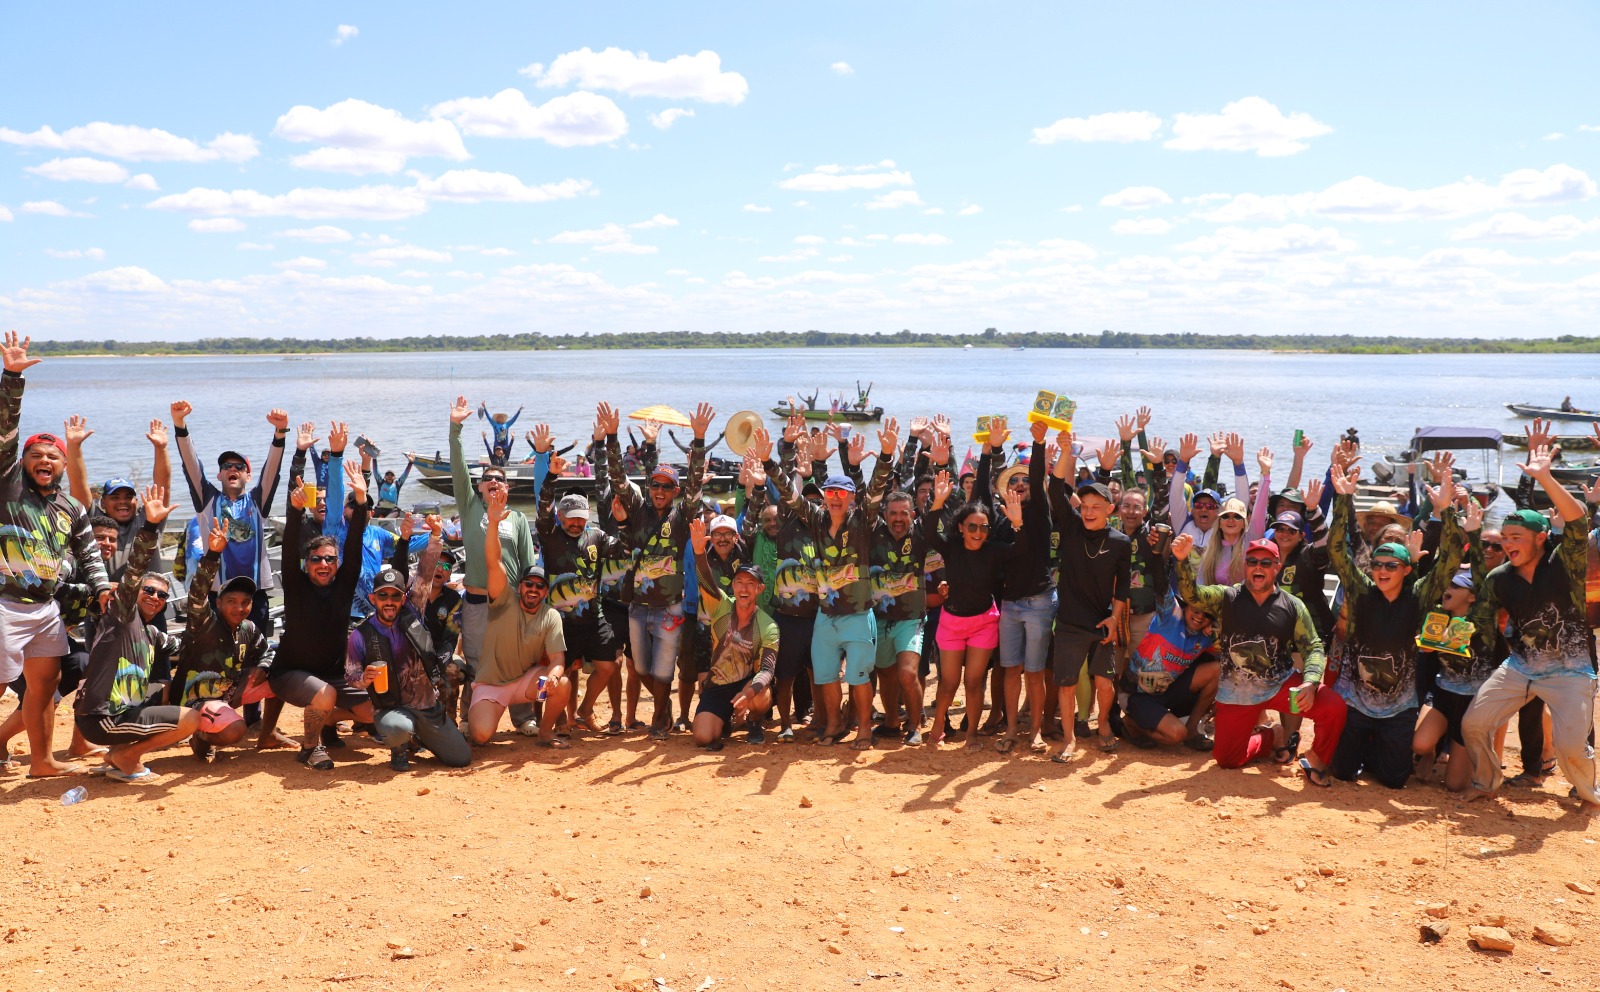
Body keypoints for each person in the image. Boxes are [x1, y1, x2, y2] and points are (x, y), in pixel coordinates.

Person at [0, 332, 112, 778]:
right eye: (36, 455)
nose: (44, 460)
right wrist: (12, 378)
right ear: (22, 461)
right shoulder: (9, 487)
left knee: (44, 685)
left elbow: (90, 555)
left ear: (64, 465)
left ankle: (42, 762)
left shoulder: (72, 508)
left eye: (53, 456)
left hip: (46, 608)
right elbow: (5, 433)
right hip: (5, 602)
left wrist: (101, 589)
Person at [1461, 445, 1599, 807]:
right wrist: (1447, 638)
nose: (1507, 544)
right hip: (1521, 666)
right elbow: (1479, 623)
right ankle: (1486, 781)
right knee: (1474, 723)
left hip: (1571, 669)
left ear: (1540, 538)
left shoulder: (1564, 562)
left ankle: (1589, 794)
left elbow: (1577, 521)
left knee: (1571, 747)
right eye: (1504, 537)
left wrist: (1545, 477)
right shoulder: (1499, 578)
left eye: (1516, 537)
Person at [1326, 469, 1472, 788]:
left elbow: (1449, 560)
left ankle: (1379, 751)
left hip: (1399, 706)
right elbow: (1337, 551)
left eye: (1391, 566)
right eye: (1378, 564)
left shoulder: (1419, 595)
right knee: (1343, 772)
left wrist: (1446, 511)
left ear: (1406, 570)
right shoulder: (1362, 590)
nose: (1382, 570)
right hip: (1356, 701)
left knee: (1394, 780)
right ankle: (1362, 749)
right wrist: (1343, 499)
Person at [1174, 533, 1346, 786]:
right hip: (1237, 692)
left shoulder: (1293, 605)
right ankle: (1271, 737)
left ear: (1277, 567)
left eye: (1266, 563)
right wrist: (1181, 561)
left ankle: (1317, 760)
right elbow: (1193, 595)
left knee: (1333, 707)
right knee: (1227, 760)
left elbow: (1313, 647)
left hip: (1280, 685)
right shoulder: (1227, 597)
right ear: (1245, 566)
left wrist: (1310, 682)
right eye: (1252, 561)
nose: (1258, 567)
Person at [770, 420, 896, 749]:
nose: (835, 498)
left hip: (857, 614)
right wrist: (771, 461)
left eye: (841, 493)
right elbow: (790, 494)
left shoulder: (862, 520)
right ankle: (835, 724)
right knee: (825, 675)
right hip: (825, 615)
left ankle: (864, 729)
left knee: (859, 677)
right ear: (824, 497)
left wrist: (885, 455)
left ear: (851, 497)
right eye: (830, 493)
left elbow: (877, 490)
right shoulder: (815, 518)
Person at [71, 485, 199, 782]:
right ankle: (127, 756)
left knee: (160, 691)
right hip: (103, 719)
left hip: (111, 716)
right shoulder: (122, 616)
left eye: (162, 595)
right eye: (148, 591)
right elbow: (134, 570)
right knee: (191, 719)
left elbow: (188, 645)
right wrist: (150, 526)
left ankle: (114, 755)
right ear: (135, 594)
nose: (155, 597)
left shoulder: (151, 633)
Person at [602, 401, 713, 739]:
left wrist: (698, 439)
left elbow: (695, 486)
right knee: (640, 667)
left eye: (667, 487)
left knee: (664, 671)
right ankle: (664, 712)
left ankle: (657, 722)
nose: (660, 491)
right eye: (656, 485)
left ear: (675, 491)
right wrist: (611, 437)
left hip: (669, 607)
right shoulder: (637, 510)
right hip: (637, 606)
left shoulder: (681, 518)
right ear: (649, 488)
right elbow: (618, 478)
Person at [262, 458, 375, 771]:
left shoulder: (344, 585)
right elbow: (288, 548)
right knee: (324, 694)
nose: (323, 564)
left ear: (337, 564)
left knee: (371, 711)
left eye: (329, 559)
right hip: (291, 673)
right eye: (315, 559)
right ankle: (310, 748)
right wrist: (295, 509)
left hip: (333, 673)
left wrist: (361, 500)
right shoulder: (296, 585)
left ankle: (326, 718)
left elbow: (354, 544)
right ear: (306, 563)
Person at [449, 396, 540, 732]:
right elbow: (458, 466)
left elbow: (528, 566)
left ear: (507, 487)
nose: (493, 481)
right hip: (475, 602)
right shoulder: (470, 507)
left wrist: (530, 605)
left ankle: (524, 717)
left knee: (517, 659)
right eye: (488, 477)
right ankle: (466, 717)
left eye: (499, 478)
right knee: (475, 661)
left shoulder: (517, 519)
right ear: (479, 486)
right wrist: (455, 428)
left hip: (510, 603)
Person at [348, 534, 472, 771]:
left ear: (403, 598)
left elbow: (424, 574)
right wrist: (363, 679)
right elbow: (350, 675)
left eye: (395, 595)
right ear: (373, 598)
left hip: (427, 706)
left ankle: (426, 735)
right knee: (398, 728)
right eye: (383, 595)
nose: (389, 601)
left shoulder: (413, 612)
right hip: (392, 708)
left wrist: (435, 537)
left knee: (461, 758)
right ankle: (399, 750)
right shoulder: (360, 634)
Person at [926, 467, 1027, 751]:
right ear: (961, 527)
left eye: (983, 528)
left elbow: (1021, 550)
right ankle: (937, 725)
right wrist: (937, 502)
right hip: (951, 623)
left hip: (983, 622)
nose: (978, 533)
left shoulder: (994, 550)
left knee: (973, 681)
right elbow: (929, 533)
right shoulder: (952, 548)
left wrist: (1017, 523)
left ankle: (971, 733)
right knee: (948, 683)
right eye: (972, 527)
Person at [1046, 433, 1132, 761]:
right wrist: (1065, 452)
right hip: (1069, 620)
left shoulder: (1121, 542)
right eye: (1085, 506)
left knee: (1105, 684)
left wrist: (1114, 617)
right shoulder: (1070, 529)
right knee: (1066, 683)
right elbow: (1056, 488)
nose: (1089, 512)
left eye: (1096, 507)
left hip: (1101, 622)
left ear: (1110, 510)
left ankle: (1104, 723)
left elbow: (1122, 587)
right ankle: (1069, 739)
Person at [171, 397, 287, 637]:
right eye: (226, 466)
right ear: (219, 475)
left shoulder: (257, 501)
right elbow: (191, 465)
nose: (232, 469)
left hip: (254, 593)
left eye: (239, 466)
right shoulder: (208, 501)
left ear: (248, 476)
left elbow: (272, 470)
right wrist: (180, 425)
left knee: (254, 650)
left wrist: (279, 434)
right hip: (218, 594)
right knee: (218, 650)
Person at [470, 487, 569, 748]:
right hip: (491, 685)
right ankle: (477, 715)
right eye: (529, 584)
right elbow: (494, 562)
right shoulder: (503, 599)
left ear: (546, 592)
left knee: (563, 684)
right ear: (520, 586)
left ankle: (545, 734)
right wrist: (493, 523)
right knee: (480, 736)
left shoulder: (551, 616)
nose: (533, 590)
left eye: (539, 586)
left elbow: (558, 659)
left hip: (525, 684)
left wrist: (553, 675)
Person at [168, 518, 274, 760]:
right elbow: (197, 594)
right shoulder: (204, 623)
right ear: (218, 603)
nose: (239, 608)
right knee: (235, 730)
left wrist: (264, 666)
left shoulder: (248, 628)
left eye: (245, 602)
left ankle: (268, 735)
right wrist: (213, 554)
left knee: (279, 679)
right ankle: (200, 737)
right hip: (195, 700)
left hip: (227, 693)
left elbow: (268, 652)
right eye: (231, 602)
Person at [536, 480, 630, 735]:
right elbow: (543, 509)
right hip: (560, 621)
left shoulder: (596, 536)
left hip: (594, 616)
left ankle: (585, 710)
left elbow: (624, 550)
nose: (576, 523)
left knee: (609, 666)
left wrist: (623, 522)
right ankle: (559, 723)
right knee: (561, 673)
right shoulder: (550, 536)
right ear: (560, 516)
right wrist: (551, 477)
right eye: (571, 518)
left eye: (581, 518)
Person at [992, 419, 1058, 752]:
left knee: (1034, 672)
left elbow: (1038, 476)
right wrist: (992, 448)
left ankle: (1035, 732)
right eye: (1013, 481)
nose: (1020, 484)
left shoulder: (1040, 513)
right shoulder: (1001, 520)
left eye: (1025, 480)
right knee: (1010, 670)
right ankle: (1010, 731)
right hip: (1010, 603)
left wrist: (1039, 444)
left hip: (1039, 602)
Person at [687, 517, 778, 749]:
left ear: (760, 589)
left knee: (760, 694)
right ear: (733, 586)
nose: (744, 588)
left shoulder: (768, 625)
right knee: (703, 738)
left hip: (748, 683)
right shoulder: (721, 605)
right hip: (719, 684)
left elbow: (767, 670)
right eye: (739, 582)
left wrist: (748, 693)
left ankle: (754, 720)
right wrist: (699, 552)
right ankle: (726, 720)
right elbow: (706, 580)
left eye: (751, 584)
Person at [1121, 550, 1218, 750]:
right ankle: (1130, 723)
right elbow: (1161, 584)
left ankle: (1192, 730)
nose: (1200, 617)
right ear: (1186, 606)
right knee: (1175, 735)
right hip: (1137, 695)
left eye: (1207, 615)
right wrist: (1157, 554)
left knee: (1217, 670)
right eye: (1196, 610)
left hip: (1167, 689)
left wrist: (1218, 627)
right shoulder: (1171, 613)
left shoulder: (1207, 635)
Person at [62, 414, 171, 580]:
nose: (122, 501)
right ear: (103, 502)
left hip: (146, 596)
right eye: (115, 497)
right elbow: (78, 484)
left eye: (128, 497)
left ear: (136, 501)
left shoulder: (148, 520)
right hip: (99, 594)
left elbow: (163, 486)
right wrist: (74, 446)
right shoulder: (94, 520)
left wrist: (161, 448)